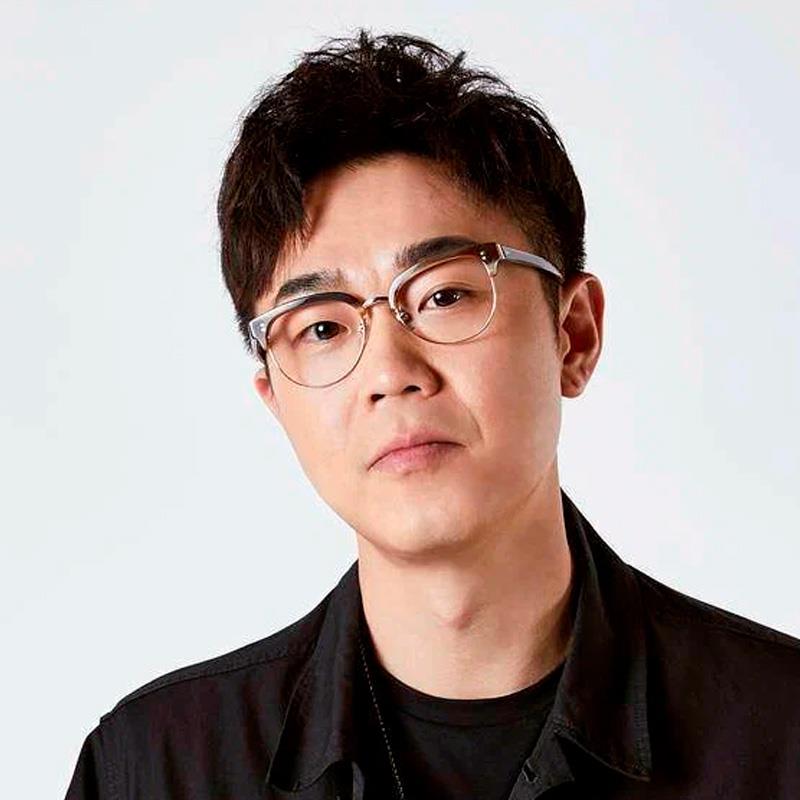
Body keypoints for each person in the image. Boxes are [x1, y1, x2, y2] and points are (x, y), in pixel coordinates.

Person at [65, 29, 800, 800]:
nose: (390, 373)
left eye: (445, 295)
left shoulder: (780, 740)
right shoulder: (156, 770)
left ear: (574, 335)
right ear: (276, 401)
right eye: (323, 327)